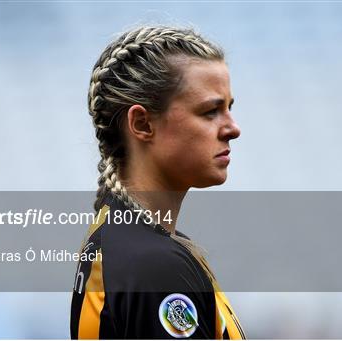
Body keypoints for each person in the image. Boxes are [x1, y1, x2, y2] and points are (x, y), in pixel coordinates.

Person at [70, 25, 244, 339]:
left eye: (229, 109)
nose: (233, 128)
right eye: (210, 111)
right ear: (142, 123)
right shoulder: (154, 265)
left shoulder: (120, 236)